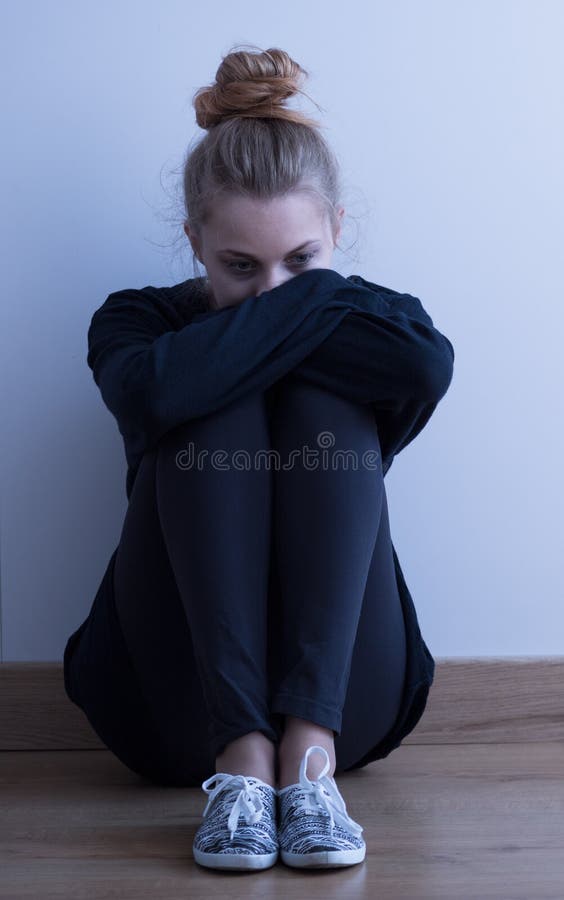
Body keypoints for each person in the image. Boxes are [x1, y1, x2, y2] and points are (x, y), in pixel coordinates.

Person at [63, 44, 455, 873]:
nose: (273, 291)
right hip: (168, 709)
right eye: (240, 267)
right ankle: (239, 764)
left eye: (303, 265)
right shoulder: (136, 321)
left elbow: (427, 366)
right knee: (208, 401)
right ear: (194, 240)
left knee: (317, 404)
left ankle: (307, 763)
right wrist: (314, 307)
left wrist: (249, 328)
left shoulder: (392, 332)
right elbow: (150, 396)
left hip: (352, 700)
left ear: (337, 232)